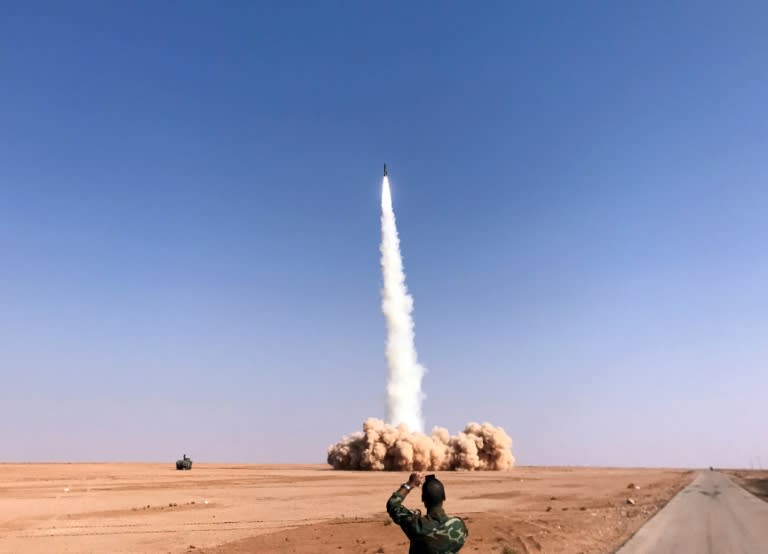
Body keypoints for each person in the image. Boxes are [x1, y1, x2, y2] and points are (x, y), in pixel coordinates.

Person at [386, 471, 468, 553]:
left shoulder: (417, 527)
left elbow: (393, 504)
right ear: (444, 497)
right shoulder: (458, 525)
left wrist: (410, 484)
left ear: (423, 499)